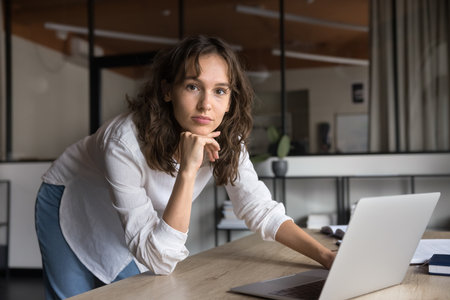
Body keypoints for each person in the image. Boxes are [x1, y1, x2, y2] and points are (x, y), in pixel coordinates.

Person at [35, 35, 335, 299]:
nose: (206, 104)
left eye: (220, 91)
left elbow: (259, 208)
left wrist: (325, 256)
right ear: (168, 90)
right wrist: (189, 170)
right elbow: (161, 259)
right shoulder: (124, 143)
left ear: (231, 100)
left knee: (143, 287)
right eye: (193, 86)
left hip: (132, 214)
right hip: (72, 197)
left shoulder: (228, 137)